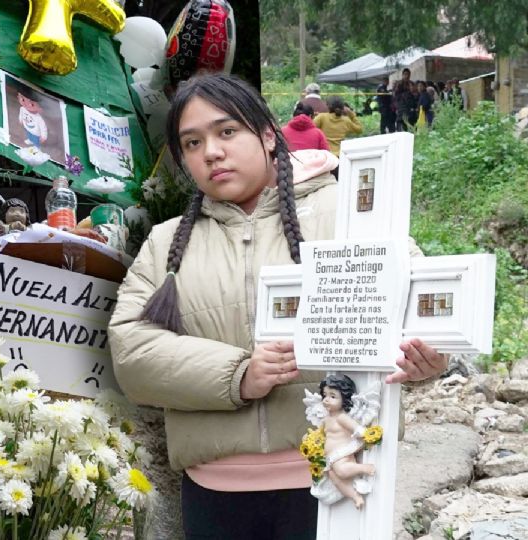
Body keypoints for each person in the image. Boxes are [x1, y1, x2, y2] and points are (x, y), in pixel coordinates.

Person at [108, 73, 446, 540]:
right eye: (192, 142)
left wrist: (431, 356)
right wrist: (239, 374)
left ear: (268, 135)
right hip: (214, 495)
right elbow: (131, 353)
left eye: (227, 132)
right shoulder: (167, 243)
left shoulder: (350, 212)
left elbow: (424, 307)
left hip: (337, 479)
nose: (211, 152)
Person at [313, 374, 376, 510]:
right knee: (335, 478)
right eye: (325, 395)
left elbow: (358, 428)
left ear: (345, 399)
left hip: (343, 452)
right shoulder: (326, 419)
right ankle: (355, 496)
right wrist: (312, 441)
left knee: (341, 471)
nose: (326, 400)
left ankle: (365, 468)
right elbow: (319, 434)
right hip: (331, 457)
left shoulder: (342, 418)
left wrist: (365, 434)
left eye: (333, 396)